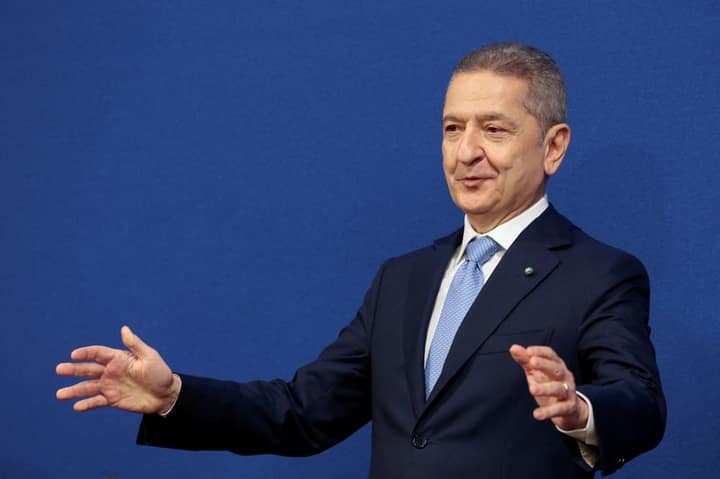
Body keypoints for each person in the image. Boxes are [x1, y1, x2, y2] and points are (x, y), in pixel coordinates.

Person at [56, 42, 665, 478]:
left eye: (494, 130)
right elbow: (304, 413)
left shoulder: (598, 274)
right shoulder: (403, 278)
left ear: (553, 148)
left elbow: (641, 405)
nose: (466, 152)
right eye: (453, 128)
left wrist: (580, 409)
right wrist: (174, 396)